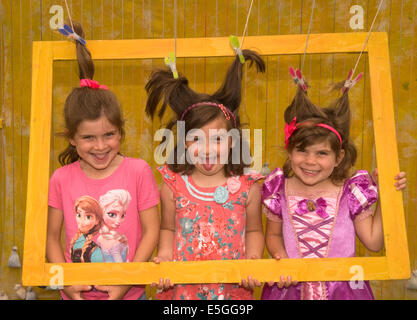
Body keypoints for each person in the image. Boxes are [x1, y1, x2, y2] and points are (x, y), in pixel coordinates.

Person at [261, 70, 407, 300]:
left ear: (338, 158)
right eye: (302, 151)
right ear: (290, 152)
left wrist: (387, 195)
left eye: (321, 153)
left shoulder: (350, 192)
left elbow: (374, 242)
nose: (311, 161)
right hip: (289, 290)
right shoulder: (279, 190)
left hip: (344, 292)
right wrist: (281, 259)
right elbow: (273, 236)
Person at [46, 22, 160, 300]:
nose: (100, 146)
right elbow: (51, 237)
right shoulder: (61, 178)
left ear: (121, 131)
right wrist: (64, 283)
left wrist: (127, 282)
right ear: (72, 138)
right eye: (88, 138)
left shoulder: (138, 171)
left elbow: (152, 231)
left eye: (109, 135)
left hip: (130, 295)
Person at [145, 49, 266, 300]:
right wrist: (165, 256)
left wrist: (253, 261)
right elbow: (167, 228)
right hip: (182, 293)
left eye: (218, 139)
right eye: (197, 139)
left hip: (232, 292)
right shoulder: (173, 186)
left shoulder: (248, 187)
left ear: (233, 141)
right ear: (185, 144)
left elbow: (254, 231)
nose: (208, 150)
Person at [70, 195, 104, 263]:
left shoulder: (95, 251)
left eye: (88, 217)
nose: (82, 221)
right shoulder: (75, 241)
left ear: (97, 220)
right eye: (79, 215)